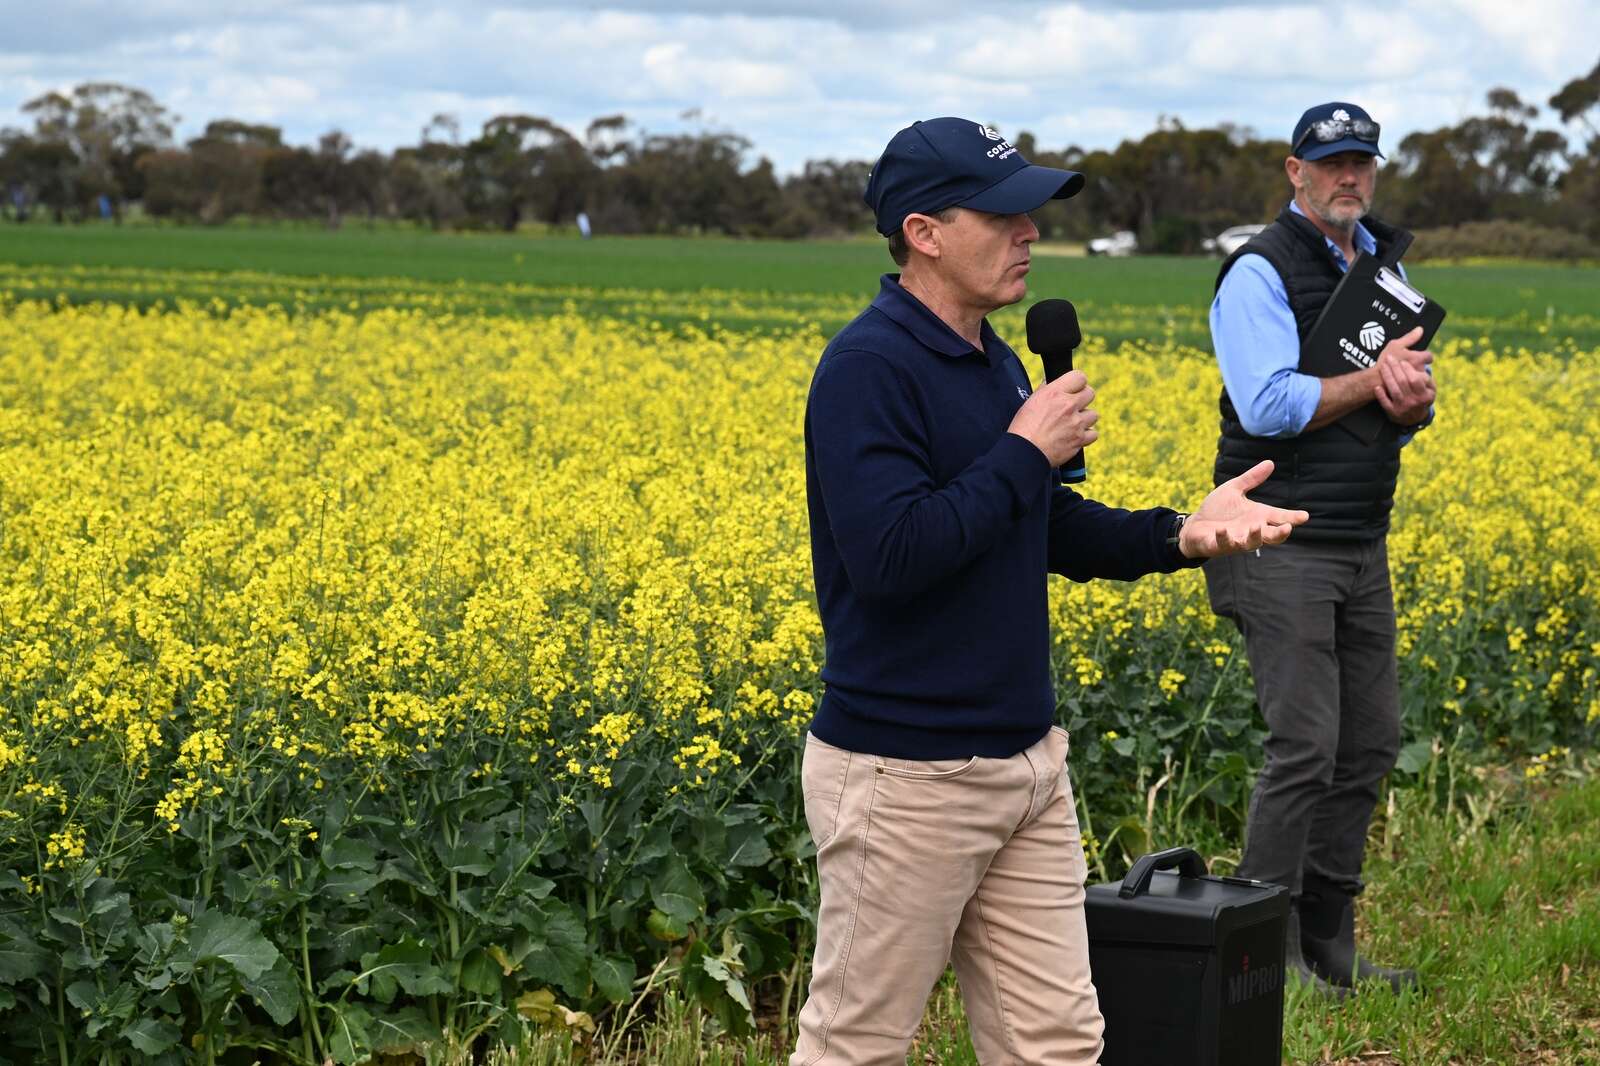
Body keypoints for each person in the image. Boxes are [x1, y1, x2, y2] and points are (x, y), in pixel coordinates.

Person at [793, 117, 1310, 1066]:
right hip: (906, 776)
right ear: (924, 232)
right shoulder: (867, 369)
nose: (1031, 232)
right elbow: (893, 559)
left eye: (1035, 213)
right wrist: (1026, 447)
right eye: (1005, 213)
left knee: (1059, 1043)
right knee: (856, 1045)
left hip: (1027, 764)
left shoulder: (992, 358)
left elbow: (1043, 527)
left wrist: (1178, 536)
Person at [1203, 102, 1435, 996]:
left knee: (1370, 742)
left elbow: (1391, 399)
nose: (1350, 177)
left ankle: (1330, 941)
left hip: (1356, 536)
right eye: (1331, 161)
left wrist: (1410, 407)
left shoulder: (1383, 263)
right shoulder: (1259, 270)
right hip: (1275, 535)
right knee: (1305, 743)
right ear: (1293, 169)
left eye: (1362, 162)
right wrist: (1374, 383)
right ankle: (1266, 957)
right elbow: (1267, 404)